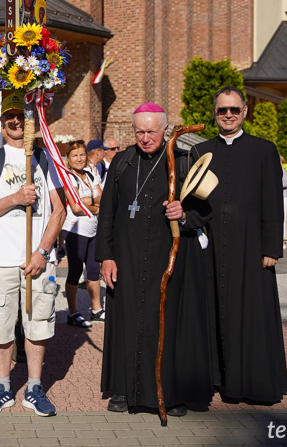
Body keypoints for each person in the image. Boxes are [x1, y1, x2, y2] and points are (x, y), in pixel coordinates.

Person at [95, 103, 214, 416]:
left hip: (169, 260)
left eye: (151, 131)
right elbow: (107, 212)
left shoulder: (185, 161)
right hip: (127, 259)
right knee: (126, 323)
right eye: (139, 131)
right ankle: (123, 390)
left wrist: (184, 214)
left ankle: (171, 394)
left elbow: (206, 212)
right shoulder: (122, 162)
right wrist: (106, 257)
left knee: (169, 324)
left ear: (165, 129)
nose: (145, 138)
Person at [0, 90, 66, 417]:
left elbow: (59, 211)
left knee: (37, 323)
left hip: (38, 261)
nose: (15, 121)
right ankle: (3, 387)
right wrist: (15, 198)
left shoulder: (45, 159)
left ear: (32, 122)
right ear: (2, 122)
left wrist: (42, 251)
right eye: (9, 116)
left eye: (22, 116)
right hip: (0, 259)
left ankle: (35, 388)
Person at [195, 87, 287, 404]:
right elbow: (192, 203)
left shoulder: (264, 150)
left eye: (234, 109)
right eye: (222, 110)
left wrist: (271, 248)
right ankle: (214, 378)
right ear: (215, 113)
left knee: (250, 315)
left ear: (245, 111)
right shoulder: (201, 151)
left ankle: (250, 384)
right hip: (211, 252)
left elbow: (272, 203)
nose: (229, 115)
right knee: (212, 312)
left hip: (251, 248)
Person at [60, 140, 103, 328]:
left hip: (93, 228)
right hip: (75, 229)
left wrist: (89, 200)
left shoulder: (91, 173)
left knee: (94, 270)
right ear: (68, 159)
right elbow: (76, 207)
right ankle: (73, 312)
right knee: (75, 271)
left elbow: (103, 196)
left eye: (82, 154)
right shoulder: (69, 177)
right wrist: (96, 207)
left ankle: (96, 310)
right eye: (75, 155)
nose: (79, 158)